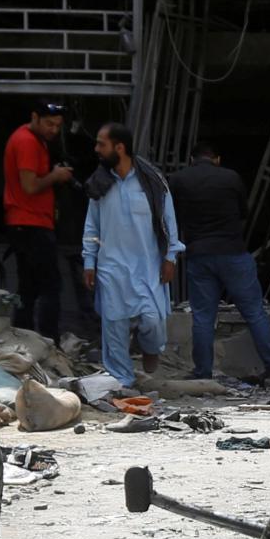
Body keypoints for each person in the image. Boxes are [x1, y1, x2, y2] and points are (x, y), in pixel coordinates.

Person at [167, 141, 270, 382]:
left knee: (203, 317)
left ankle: (202, 372)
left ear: (191, 159)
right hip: (233, 253)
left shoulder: (179, 180)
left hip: (199, 255)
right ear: (217, 159)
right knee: (254, 312)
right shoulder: (231, 178)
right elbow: (243, 213)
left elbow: (171, 216)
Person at [80, 121, 182, 388]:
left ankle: (150, 349)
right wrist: (89, 261)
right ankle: (121, 380)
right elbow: (92, 227)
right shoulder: (99, 185)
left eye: (102, 144)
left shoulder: (152, 182)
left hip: (148, 267)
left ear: (119, 147)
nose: (96, 149)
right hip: (111, 268)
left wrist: (170, 257)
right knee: (114, 326)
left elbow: (168, 222)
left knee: (152, 321)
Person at [2, 102, 75, 339]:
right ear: (35, 117)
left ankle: (24, 337)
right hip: (30, 222)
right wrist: (55, 176)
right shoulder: (26, 142)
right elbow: (30, 185)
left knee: (30, 287)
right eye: (49, 124)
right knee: (50, 286)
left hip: (30, 221)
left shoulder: (36, 141)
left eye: (57, 126)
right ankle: (48, 339)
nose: (53, 130)